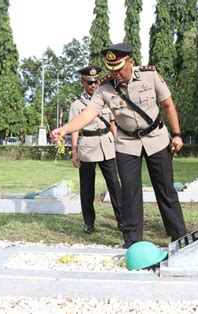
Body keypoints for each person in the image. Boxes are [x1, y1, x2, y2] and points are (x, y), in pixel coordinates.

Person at [51, 43, 187, 248]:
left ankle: (179, 237)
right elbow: (88, 114)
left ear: (130, 62)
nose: (115, 74)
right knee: (129, 192)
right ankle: (132, 241)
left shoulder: (149, 75)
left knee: (165, 190)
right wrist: (64, 129)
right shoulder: (105, 88)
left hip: (156, 139)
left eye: (119, 69)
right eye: (111, 70)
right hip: (126, 143)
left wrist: (176, 135)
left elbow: (168, 105)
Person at [69, 65, 123, 235]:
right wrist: (75, 151)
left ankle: (122, 220)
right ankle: (89, 222)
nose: (93, 85)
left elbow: (113, 123)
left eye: (96, 82)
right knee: (87, 188)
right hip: (87, 147)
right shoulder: (77, 104)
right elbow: (75, 129)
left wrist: (118, 144)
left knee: (115, 185)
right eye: (89, 82)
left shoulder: (107, 98)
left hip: (107, 145)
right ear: (82, 82)